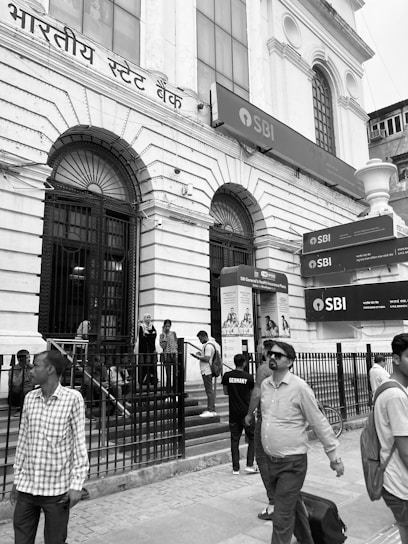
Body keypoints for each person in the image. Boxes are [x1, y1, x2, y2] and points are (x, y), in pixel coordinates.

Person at [260, 341, 344, 544]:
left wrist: (334, 457)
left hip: (292, 463)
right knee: (293, 506)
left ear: (289, 362)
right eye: (270, 354)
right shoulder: (265, 385)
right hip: (271, 461)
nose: (272, 357)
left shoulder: (300, 387)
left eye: (278, 355)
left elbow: (319, 422)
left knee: (281, 517)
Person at [10, 350, 89, 544]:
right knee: (21, 539)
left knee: (55, 540)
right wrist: (17, 479)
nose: (31, 370)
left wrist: (76, 485)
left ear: (50, 369)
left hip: (57, 490)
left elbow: (79, 443)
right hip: (27, 487)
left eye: (36, 365)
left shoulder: (72, 399)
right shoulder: (30, 398)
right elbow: (23, 440)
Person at [374, 333, 408, 543]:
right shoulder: (396, 395)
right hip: (401, 483)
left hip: (394, 479)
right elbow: (405, 450)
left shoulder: (388, 388)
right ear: (395, 359)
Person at [245, 339, 275, 520]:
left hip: (266, 417)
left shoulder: (263, 369)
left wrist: (249, 413)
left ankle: (273, 502)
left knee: (262, 458)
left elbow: (257, 392)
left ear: (265, 350)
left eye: (260, 347)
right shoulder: (282, 368)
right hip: (281, 417)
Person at [222, 353, 256, 475]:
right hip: (246, 411)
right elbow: (253, 395)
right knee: (252, 438)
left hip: (234, 411)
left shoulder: (227, 376)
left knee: (234, 439)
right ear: (244, 363)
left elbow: (226, 392)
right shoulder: (249, 377)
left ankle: (235, 468)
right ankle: (249, 464)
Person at [191, 330, 218, 417]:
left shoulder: (208, 346)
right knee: (209, 391)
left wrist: (198, 357)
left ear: (204, 336)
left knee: (209, 391)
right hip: (207, 370)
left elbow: (207, 358)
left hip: (207, 371)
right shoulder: (209, 345)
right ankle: (211, 408)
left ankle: (210, 409)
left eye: (200, 338)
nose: (199, 340)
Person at [8, 349, 32, 417]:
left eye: (29, 357)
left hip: (29, 391)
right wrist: (23, 370)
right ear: (20, 359)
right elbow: (16, 384)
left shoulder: (31, 367)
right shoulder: (13, 369)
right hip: (16, 395)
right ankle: (20, 410)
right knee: (21, 391)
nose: (29, 359)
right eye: (27, 358)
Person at [159, 319, 178, 396]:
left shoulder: (173, 333)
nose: (167, 327)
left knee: (175, 374)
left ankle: (175, 391)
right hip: (166, 355)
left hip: (174, 354)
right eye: (166, 326)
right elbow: (162, 346)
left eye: (168, 326)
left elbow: (176, 343)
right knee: (168, 375)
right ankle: (168, 391)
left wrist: (175, 350)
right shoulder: (162, 335)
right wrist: (164, 335)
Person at [138, 313, 157, 386]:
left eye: (149, 317)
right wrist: (149, 336)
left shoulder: (152, 326)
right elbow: (142, 338)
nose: (148, 318)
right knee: (144, 365)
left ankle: (152, 379)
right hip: (144, 349)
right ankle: (143, 380)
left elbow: (154, 335)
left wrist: (148, 335)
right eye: (147, 317)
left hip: (151, 349)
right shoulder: (141, 327)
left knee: (152, 365)